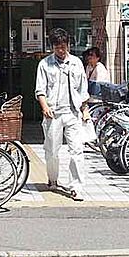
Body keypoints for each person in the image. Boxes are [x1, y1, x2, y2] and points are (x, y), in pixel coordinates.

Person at [35, 28, 90, 200]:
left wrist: (85, 110)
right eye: (57, 47)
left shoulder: (76, 63)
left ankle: (76, 187)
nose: (61, 50)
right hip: (53, 113)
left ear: (69, 45)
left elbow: (83, 89)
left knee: (77, 150)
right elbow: (40, 89)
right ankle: (53, 179)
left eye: (64, 46)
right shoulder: (45, 64)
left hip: (73, 112)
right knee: (52, 150)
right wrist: (44, 106)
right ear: (52, 47)